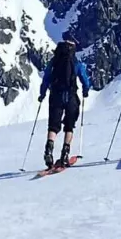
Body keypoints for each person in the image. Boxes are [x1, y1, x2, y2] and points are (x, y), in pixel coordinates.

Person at [39, 39, 90, 170]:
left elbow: (46, 77)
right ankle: (65, 153)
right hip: (71, 96)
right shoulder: (75, 62)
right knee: (69, 126)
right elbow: (84, 78)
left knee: (53, 126)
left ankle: (49, 149)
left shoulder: (54, 61)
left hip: (56, 95)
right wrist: (85, 90)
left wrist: (42, 93)